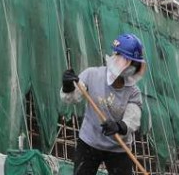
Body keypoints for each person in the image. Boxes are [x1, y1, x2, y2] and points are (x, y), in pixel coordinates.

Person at [60, 33, 146, 175]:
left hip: (119, 146)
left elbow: (133, 116)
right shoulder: (92, 75)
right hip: (90, 141)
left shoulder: (133, 92)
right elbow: (72, 98)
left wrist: (119, 126)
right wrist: (68, 86)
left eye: (133, 63)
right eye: (125, 60)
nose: (129, 65)